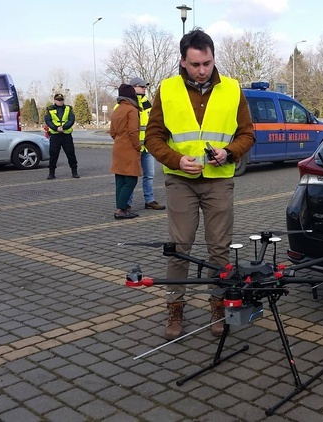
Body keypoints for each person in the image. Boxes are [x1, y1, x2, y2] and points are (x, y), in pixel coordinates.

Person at [145, 29, 255, 340]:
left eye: (207, 63)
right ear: (183, 61)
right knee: (179, 249)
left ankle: (218, 306)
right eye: (195, 65)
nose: (202, 70)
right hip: (181, 180)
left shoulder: (232, 89)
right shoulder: (167, 90)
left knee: (219, 249)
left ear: (213, 58)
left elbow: (247, 134)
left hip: (219, 181)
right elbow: (153, 137)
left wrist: (229, 152)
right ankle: (175, 308)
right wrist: (175, 159)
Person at [126, 77, 166, 211]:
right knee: (131, 176)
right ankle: (127, 203)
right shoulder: (126, 104)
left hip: (147, 147)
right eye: (141, 86)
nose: (144, 88)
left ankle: (149, 200)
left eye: (145, 86)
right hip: (133, 148)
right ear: (133, 87)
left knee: (149, 175)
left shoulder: (148, 104)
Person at [110, 84, 143, 219]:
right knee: (130, 181)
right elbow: (133, 131)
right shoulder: (131, 110)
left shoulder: (117, 109)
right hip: (129, 148)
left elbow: (112, 132)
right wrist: (137, 146)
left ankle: (120, 207)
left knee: (120, 181)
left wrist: (119, 140)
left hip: (118, 148)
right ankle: (121, 209)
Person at [44, 93, 79, 179]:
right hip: (55, 135)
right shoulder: (49, 109)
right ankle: (51, 173)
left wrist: (64, 127)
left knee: (71, 154)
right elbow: (48, 121)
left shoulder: (68, 108)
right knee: (53, 155)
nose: (60, 102)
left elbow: (71, 119)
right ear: (55, 100)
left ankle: (74, 171)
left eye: (61, 100)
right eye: (58, 100)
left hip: (66, 134)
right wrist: (56, 128)